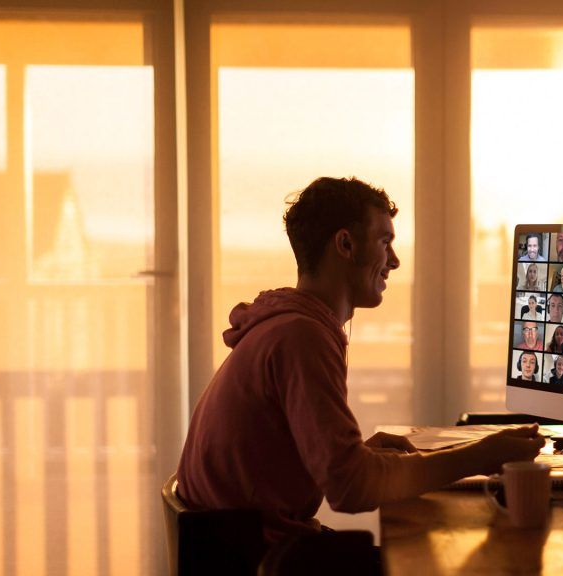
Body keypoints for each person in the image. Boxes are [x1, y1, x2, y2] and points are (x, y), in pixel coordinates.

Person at [177, 177, 543, 545]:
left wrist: (360, 454)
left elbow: (299, 462)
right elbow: (349, 486)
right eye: (385, 242)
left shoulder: (286, 325)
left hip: (242, 548)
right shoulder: (302, 338)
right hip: (264, 560)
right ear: (346, 244)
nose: (394, 262)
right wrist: (481, 456)